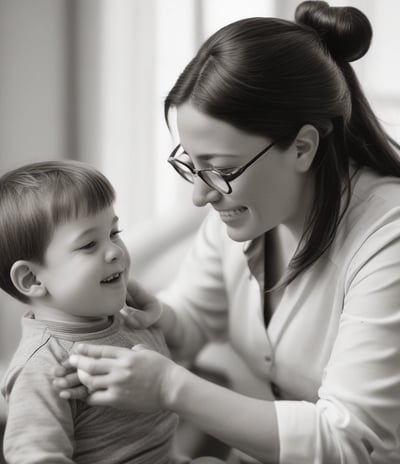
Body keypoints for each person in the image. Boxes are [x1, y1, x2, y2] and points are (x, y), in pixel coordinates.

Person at [54, 1, 400, 463]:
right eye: (190, 166)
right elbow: (196, 316)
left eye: (220, 169)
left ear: (302, 147)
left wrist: (168, 385)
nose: (201, 195)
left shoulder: (387, 234)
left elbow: (347, 438)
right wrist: (153, 317)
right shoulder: (245, 208)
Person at [0, 160, 223, 464]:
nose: (115, 250)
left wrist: (158, 316)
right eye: (89, 244)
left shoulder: (128, 316)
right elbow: (36, 456)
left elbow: (179, 355)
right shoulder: (43, 366)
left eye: (114, 232)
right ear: (33, 279)